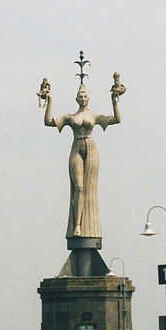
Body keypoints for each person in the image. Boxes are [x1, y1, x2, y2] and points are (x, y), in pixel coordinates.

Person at [44, 80, 122, 238]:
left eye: (85, 95)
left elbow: (116, 119)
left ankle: (88, 224)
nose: (83, 97)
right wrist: (49, 102)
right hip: (76, 146)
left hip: (91, 147)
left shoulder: (94, 116)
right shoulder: (70, 116)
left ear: (88, 98)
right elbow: (48, 122)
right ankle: (77, 225)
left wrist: (114, 101)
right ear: (76, 99)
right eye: (80, 95)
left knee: (90, 188)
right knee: (78, 186)